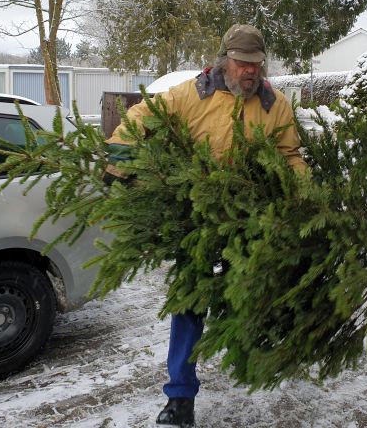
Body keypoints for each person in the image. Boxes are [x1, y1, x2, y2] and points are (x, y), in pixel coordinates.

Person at [106, 24, 307, 427]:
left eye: (255, 65)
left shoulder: (274, 104)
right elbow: (141, 115)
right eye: (241, 63)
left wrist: (305, 199)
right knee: (189, 302)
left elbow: (290, 154)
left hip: (250, 219)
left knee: (246, 293)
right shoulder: (191, 94)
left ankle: (246, 357)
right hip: (195, 220)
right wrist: (119, 164)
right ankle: (180, 396)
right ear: (224, 60)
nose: (249, 71)